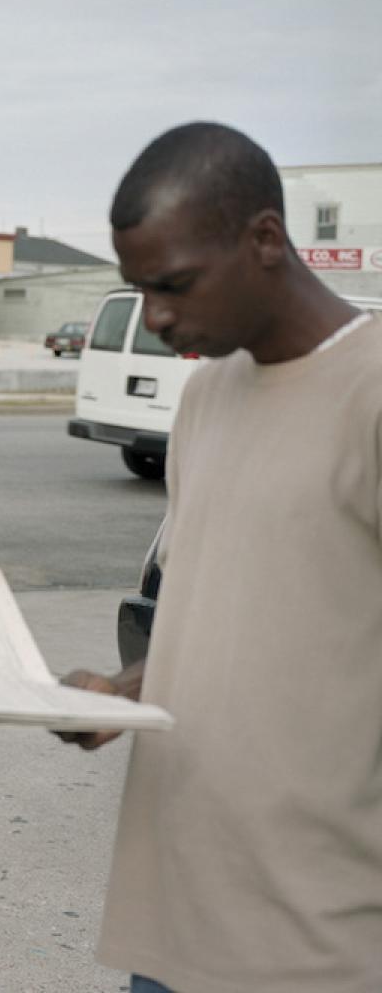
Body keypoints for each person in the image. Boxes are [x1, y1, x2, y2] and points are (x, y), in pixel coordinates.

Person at [58, 122, 382, 993]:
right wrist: (122, 697)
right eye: (137, 289)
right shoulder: (205, 397)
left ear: (266, 239)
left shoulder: (370, 392)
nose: (156, 317)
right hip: (172, 926)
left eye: (174, 285)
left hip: (319, 945)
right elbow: (225, 619)